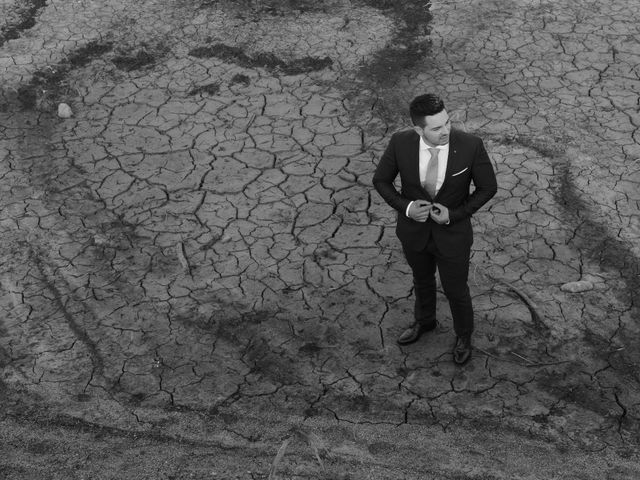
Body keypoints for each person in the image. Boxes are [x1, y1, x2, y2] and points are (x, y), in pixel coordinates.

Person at [373, 93, 497, 365]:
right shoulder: (400, 143)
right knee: (422, 280)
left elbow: (488, 187)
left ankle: (464, 335)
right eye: (437, 127)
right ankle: (425, 321)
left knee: (456, 289)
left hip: (453, 235)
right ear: (419, 129)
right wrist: (406, 208)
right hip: (414, 233)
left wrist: (454, 214)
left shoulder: (470, 146)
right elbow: (381, 181)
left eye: (448, 122)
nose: (446, 131)